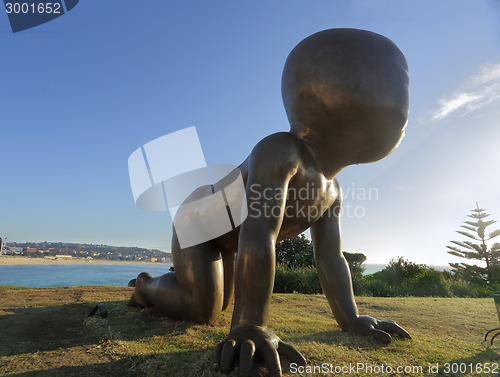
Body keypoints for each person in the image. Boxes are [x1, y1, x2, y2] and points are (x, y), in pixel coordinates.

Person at [129, 28, 411, 377]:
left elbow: (329, 256)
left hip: (232, 241)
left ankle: (179, 278)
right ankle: (145, 286)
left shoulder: (332, 189)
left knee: (212, 302)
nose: (402, 98)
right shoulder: (281, 151)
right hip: (199, 224)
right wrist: (249, 326)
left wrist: (350, 317)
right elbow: (259, 233)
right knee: (201, 311)